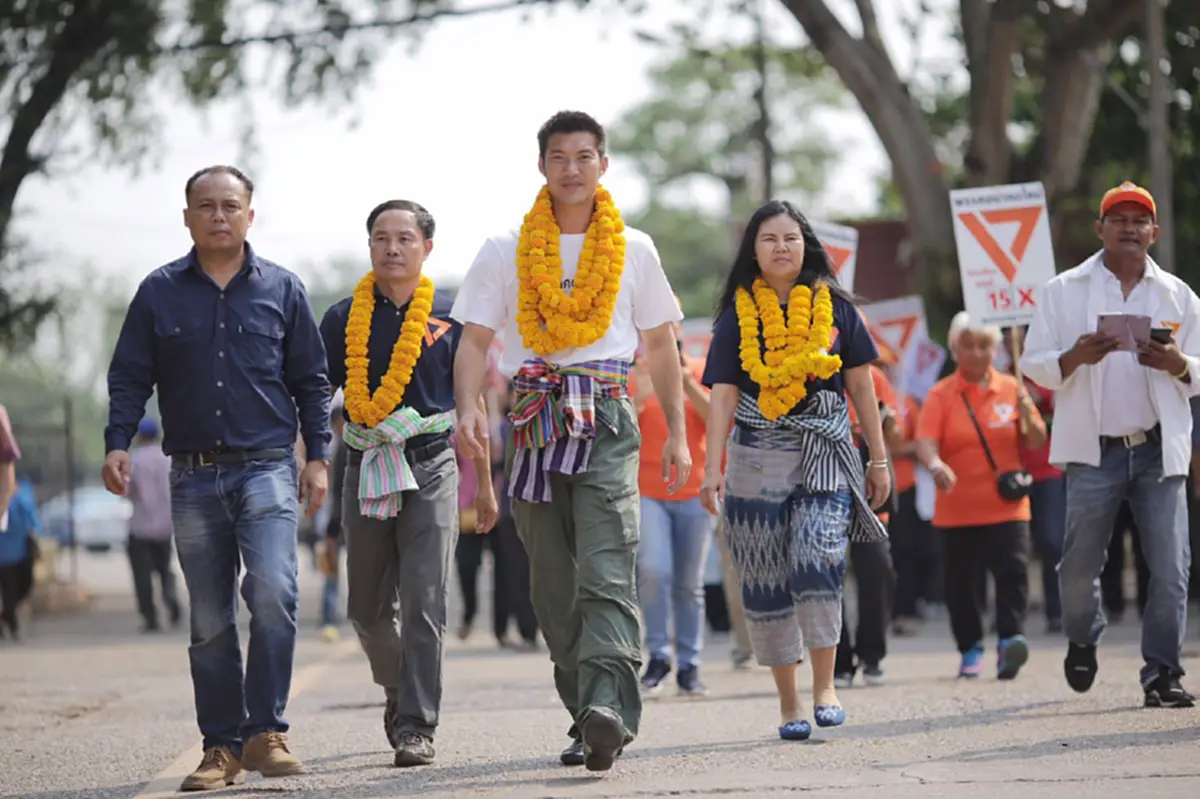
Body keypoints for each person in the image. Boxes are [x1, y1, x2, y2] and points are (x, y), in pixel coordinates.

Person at [450, 110, 690, 773]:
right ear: (542, 166)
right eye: (560, 156)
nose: (573, 168)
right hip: (533, 420)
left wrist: (675, 431)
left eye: (586, 156)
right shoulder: (505, 249)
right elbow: (473, 339)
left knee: (609, 567)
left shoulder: (634, 247)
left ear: (603, 164)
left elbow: (663, 343)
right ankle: (586, 711)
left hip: (609, 416)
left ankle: (610, 706)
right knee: (554, 584)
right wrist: (468, 406)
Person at [103, 165, 332, 792]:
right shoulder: (158, 292)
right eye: (205, 206)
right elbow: (128, 377)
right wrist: (117, 443)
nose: (219, 215)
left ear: (250, 215)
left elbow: (311, 380)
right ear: (187, 217)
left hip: (266, 469)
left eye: (230, 205)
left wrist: (317, 455)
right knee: (208, 618)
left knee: (275, 594)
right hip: (193, 476)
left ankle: (267, 732)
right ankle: (221, 748)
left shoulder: (282, 289)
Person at [699, 200, 890, 742]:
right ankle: (788, 703)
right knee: (763, 580)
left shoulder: (837, 308)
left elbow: (861, 387)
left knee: (818, 556)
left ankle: (826, 686)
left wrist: (877, 459)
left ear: (806, 244)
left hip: (825, 449)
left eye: (790, 237)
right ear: (752, 251)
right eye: (768, 239)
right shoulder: (737, 315)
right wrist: (712, 468)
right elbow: (723, 395)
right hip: (756, 452)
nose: (781, 247)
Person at [319, 199, 498, 768]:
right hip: (364, 465)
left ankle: (418, 725)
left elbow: (477, 409)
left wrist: (487, 486)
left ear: (427, 246)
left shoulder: (453, 317)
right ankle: (397, 688)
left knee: (425, 599)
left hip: (432, 465)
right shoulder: (342, 318)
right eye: (380, 238)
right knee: (367, 611)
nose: (392, 248)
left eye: (404, 238)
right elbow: (316, 399)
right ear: (369, 245)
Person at [1020, 181, 1198, 708]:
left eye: (1139, 220)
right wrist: (1074, 358)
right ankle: (1082, 635)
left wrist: (1179, 364)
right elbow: (1034, 363)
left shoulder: (1179, 295)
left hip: (1157, 448)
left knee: (1171, 564)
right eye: (1118, 219)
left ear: (1154, 233)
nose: (1129, 228)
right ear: (1100, 229)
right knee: (1078, 565)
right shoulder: (1063, 290)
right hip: (1092, 450)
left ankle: (1161, 671)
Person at [915, 312, 1045, 680]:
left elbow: (1036, 440)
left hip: (1008, 506)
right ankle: (970, 646)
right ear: (955, 350)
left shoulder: (1011, 387)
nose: (976, 353)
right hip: (957, 508)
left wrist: (1029, 417)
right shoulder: (941, 394)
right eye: (967, 345)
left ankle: (1009, 642)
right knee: (962, 585)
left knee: (1013, 574)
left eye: (984, 345)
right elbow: (925, 441)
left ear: (996, 349)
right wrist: (937, 464)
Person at [632, 320, 715, 697]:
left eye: (672, 323)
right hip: (648, 490)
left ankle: (689, 663)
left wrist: (684, 382)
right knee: (653, 570)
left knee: (688, 584)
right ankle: (658, 656)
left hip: (694, 490)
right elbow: (621, 424)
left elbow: (718, 418)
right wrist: (648, 386)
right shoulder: (634, 372)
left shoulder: (699, 369)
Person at [836, 362, 901, 688]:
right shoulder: (808, 369)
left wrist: (881, 422)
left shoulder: (874, 377)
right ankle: (839, 661)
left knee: (878, 566)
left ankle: (872, 654)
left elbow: (897, 433)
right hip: (825, 479)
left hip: (868, 481)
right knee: (827, 572)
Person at [126, 417, 182, 633]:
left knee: (142, 575)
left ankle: (150, 617)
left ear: (140, 436)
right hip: (165, 525)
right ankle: (171, 598)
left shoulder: (136, 460)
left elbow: (129, 490)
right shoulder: (167, 458)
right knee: (164, 569)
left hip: (140, 526)